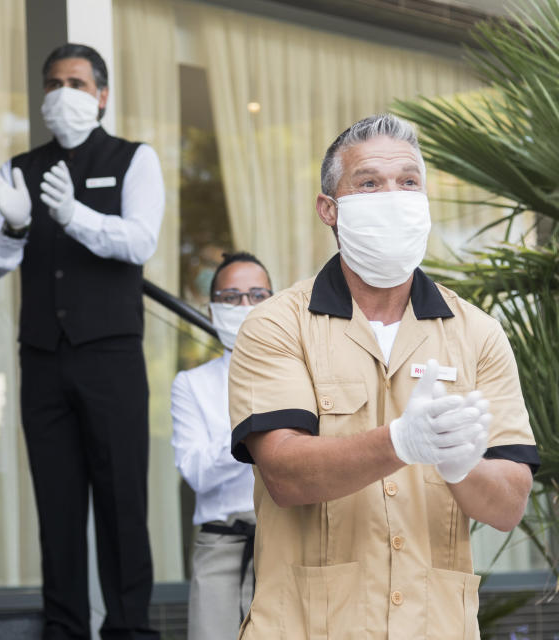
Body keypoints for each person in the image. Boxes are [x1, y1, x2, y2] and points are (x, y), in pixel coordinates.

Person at [229, 114, 538, 639]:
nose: (393, 196)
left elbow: (508, 505)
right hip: (308, 628)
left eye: (408, 182)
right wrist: (401, 441)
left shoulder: (478, 333)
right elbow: (284, 474)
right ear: (330, 209)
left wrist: (463, 467)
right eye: (369, 182)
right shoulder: (277, 324)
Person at [0, 43, 164, 640]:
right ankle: (64, 628)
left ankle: (130, 630)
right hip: (43, 358)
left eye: (77, 83)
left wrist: (74, 215)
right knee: (56, 506)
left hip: (110, 354)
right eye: (54, 83)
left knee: (121, 501)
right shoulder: (18, 168)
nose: (64, 94)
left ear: (102, 95)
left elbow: (140, 242)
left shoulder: (135, 159)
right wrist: (14, 226)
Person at [171, 251, 271, 640]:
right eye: (231, 297)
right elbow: (196, 472)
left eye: (257, 295)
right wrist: (254, 427)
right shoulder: (191, 384)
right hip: (221, 543)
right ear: (212, 311)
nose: (244, 305)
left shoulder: (305, 375)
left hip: (290, 539)